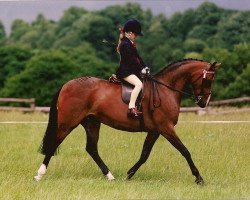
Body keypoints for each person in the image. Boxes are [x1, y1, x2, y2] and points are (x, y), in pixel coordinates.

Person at [116, 19, 149, 118]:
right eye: (136, 34)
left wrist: (145, 67)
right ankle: (131, 108)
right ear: (129, 33)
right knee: (138, 84)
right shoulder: (125, 44)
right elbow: (131, 60)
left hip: (130, 71)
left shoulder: (130, 43)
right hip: (125, 72)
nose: (136, 36)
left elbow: (138, 58)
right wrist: (140, 69)